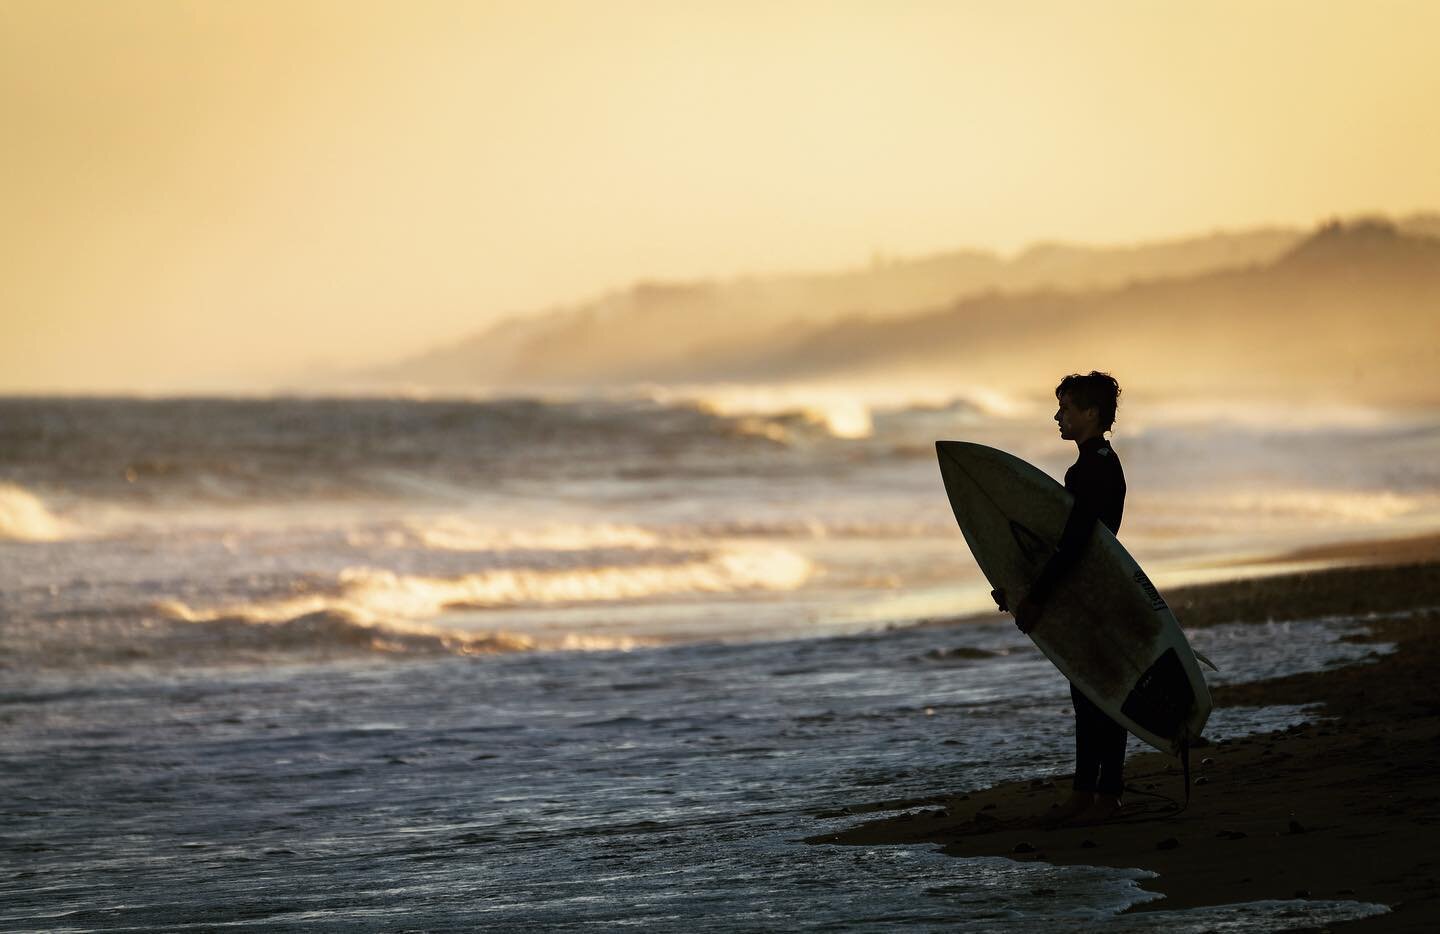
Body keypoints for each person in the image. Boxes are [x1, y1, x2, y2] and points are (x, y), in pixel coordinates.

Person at [993, 371, 1128, 826]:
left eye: (1066, 408)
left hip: (1089, 595)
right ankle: (1092, 793)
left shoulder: (1090, 470)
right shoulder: (1101, 463)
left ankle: (1100, 796)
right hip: (1091, 590)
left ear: (1090, 414)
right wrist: (1018, 587)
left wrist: (1035, 597)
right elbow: (1063, 543)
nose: (1058, 416)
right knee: (1090, 695)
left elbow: (1075, 544)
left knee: (1095, 696)